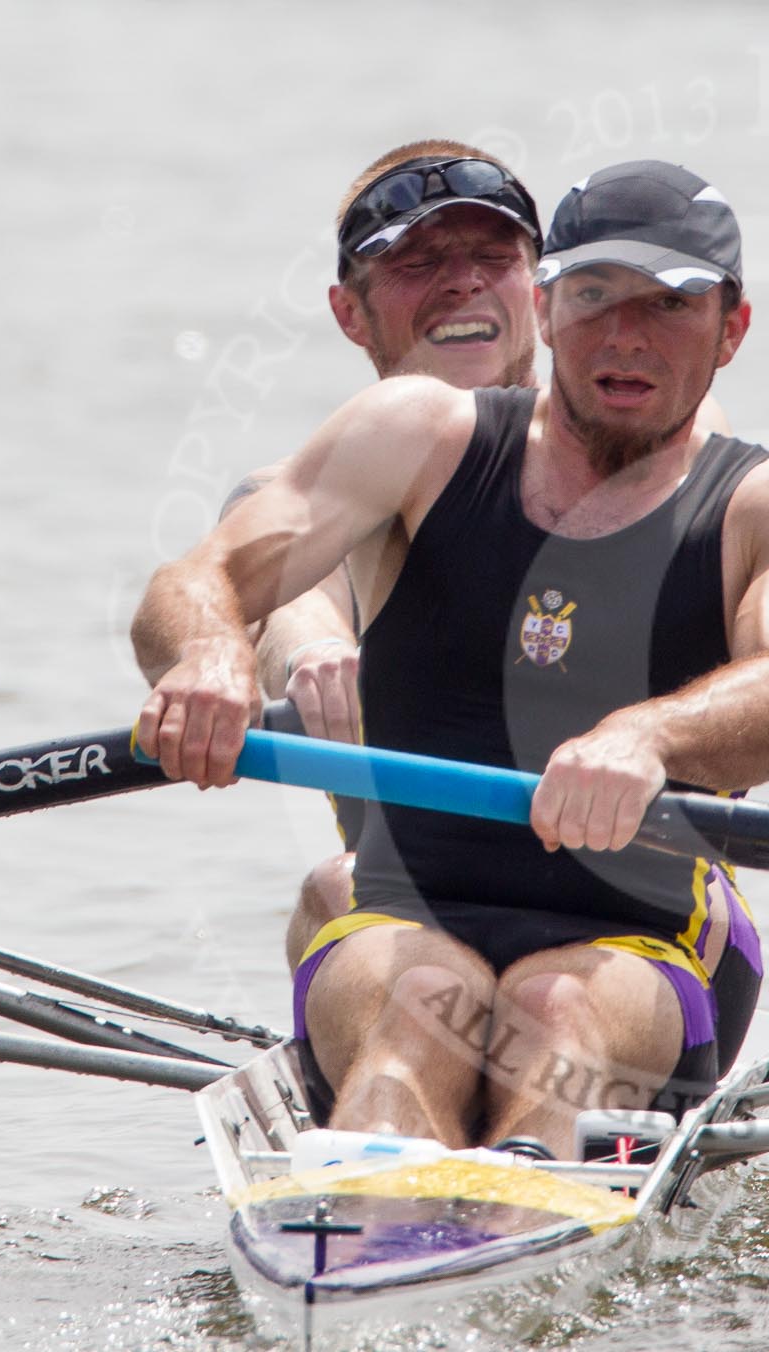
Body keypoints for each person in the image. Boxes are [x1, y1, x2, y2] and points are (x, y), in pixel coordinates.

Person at [133, 160, 769, 1159]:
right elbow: (197, 579)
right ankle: (378, 1231)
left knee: (552, 1014)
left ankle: (497, 1209)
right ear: (548, 307)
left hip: (637, 940)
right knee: (417, 1013)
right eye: (596, 296)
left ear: (731, 330)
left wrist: (645, 736)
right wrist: (211, 656)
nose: (627, 335)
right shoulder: (415, 435)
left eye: (669, 304)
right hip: (404, 915)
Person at [252, 141, 734, 975]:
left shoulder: (659, 441)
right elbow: (274, 599)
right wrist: (310, 652)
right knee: (333, 888)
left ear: (539, 297)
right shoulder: (311, 492)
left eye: (493, 257)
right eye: (417, 263)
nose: (463, 283)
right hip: (415, 919)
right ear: (350, 313)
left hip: (644, 933)